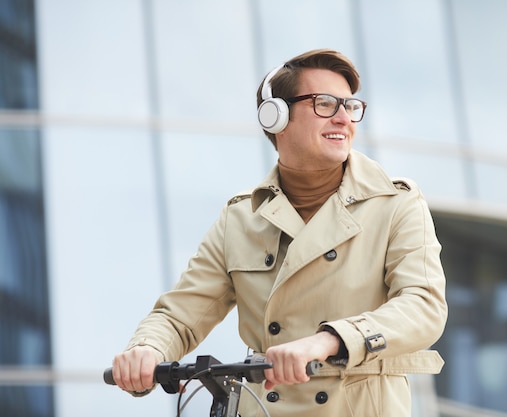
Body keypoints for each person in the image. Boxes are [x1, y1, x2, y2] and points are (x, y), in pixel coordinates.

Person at [111, 48, 447, 417]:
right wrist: (147, 349)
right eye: (324, 104)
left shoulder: (396, 203)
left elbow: (424, 306)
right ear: (276, 117)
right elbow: (181, 314)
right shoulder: (241, 217)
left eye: (350, 107)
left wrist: (329, 340)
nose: (343, 118)